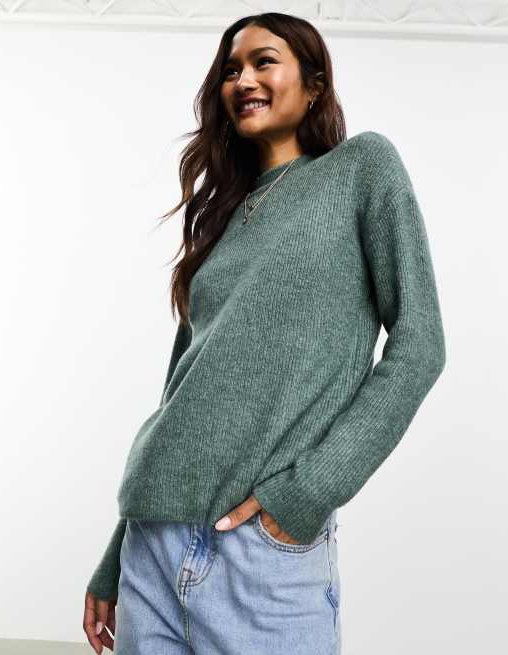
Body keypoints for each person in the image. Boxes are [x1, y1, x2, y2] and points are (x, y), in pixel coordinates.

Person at [83, 11, 446, 655]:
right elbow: (178, 394)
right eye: (231, 70)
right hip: (152, 550)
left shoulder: (361, 168)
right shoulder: (219, 221)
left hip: (263, 559)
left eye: (263, 61)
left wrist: (309, 491)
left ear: (313, 83)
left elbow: (420, 345)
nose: (243, 79)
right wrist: (116, 553)